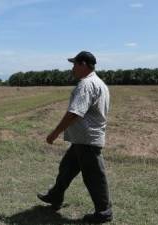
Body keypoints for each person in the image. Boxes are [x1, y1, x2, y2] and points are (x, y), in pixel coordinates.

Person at [37, 51, 113, 223]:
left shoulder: (86, 84)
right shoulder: (99, 83)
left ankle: (104, 212)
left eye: (74, 64)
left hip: (87, 140)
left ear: (83, 65)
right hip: (82, 139)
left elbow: (74, 114)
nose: (72, 68)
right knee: (66, 168)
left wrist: (55, 133)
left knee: (94, 176)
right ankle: (55, 196)